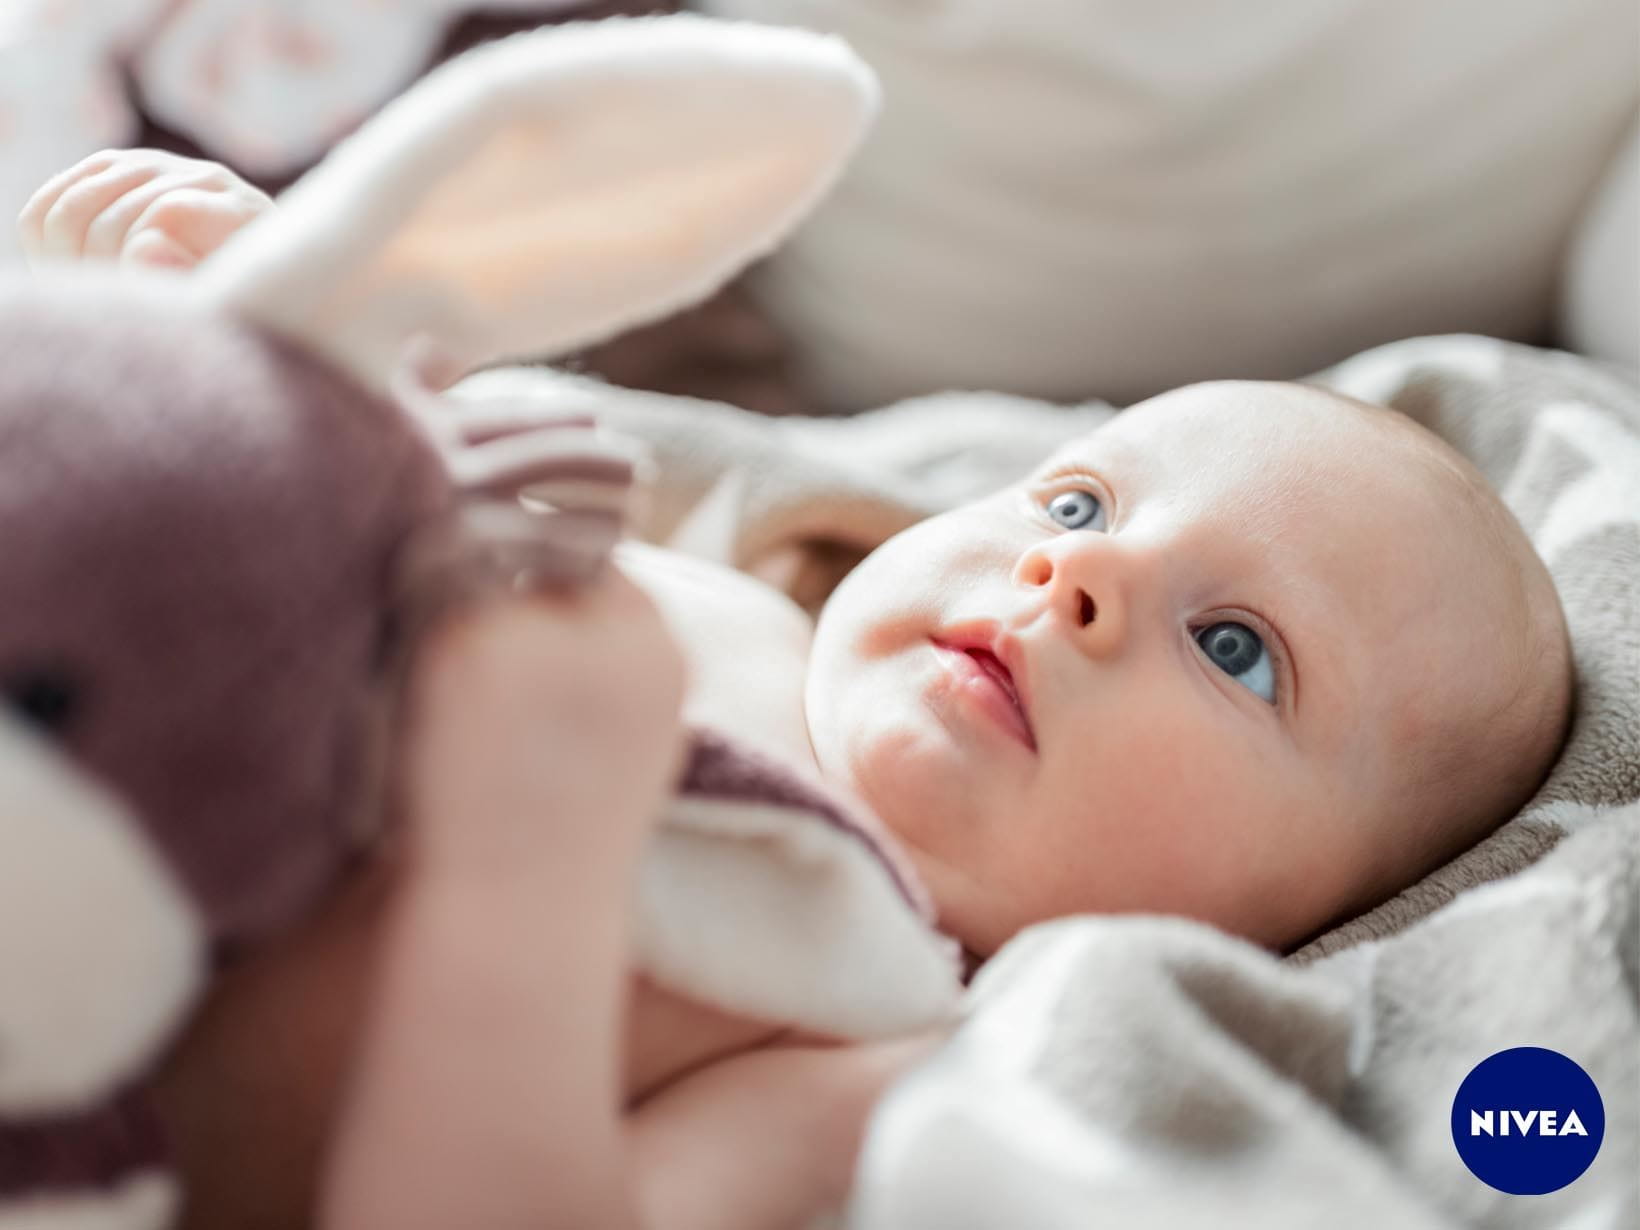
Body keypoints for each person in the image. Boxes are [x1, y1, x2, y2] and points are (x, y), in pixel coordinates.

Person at [16, 152, 1575, 1229]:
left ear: (1291, 924)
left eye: (1237, 648)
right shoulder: (725, 592)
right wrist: (266, 351)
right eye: (1080, 505)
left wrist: (528, 869)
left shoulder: (881, 1032)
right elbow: (342, 521)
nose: (1071, 579)